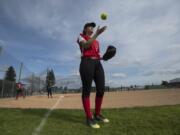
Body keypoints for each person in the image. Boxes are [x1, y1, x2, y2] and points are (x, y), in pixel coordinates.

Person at [77, 22, 109, 129]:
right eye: (89, 27)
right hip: (86, 63)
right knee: (87, 91)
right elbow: (86, 45)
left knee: (101, 89)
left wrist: (105, 57)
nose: (91, 29)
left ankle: (97, 114)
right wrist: (97, 34)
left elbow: (96, 54)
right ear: (85, 29)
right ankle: (89, 118)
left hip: (97, 64)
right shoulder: (81, 37)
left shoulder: (97, 42)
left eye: (92, 27)